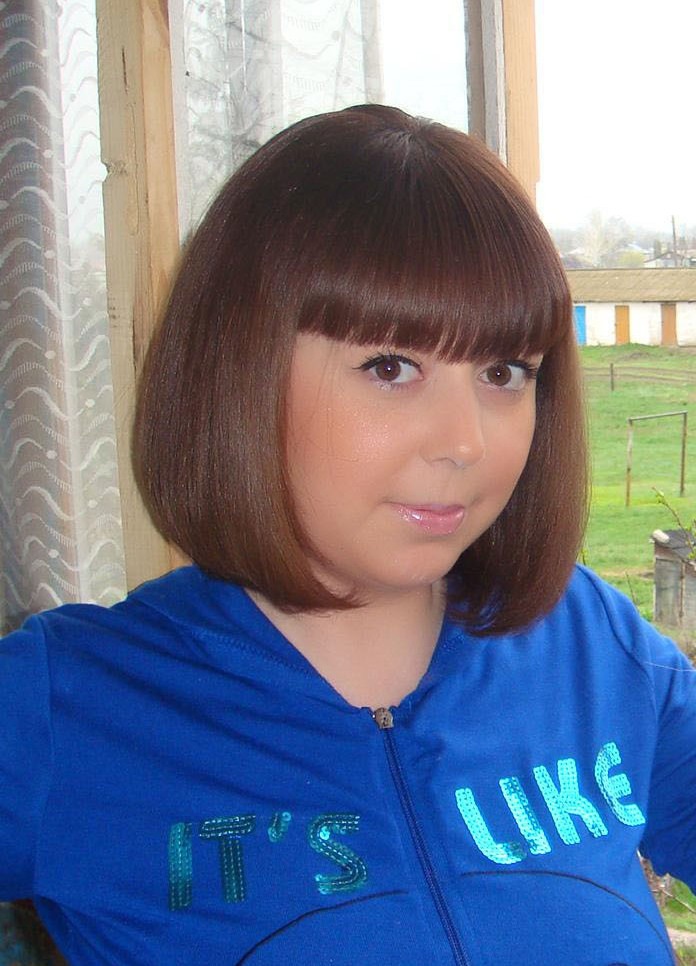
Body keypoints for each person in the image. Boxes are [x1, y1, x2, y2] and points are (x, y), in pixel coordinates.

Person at [1, 104, 694, 966]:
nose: (466, 442)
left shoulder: (592, 648)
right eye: (390, 367)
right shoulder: (69, 707)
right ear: (240, 373)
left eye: (504, 371)